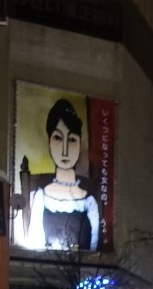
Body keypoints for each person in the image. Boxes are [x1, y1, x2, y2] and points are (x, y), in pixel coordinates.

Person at [16, 98, 102, 251]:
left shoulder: (90, 201)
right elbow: (35, 241)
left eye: (72, 140)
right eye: (58, 138)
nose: (64, 150)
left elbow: (96, 246)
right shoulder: (41, 196)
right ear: (48, 142)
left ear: (79, 144)